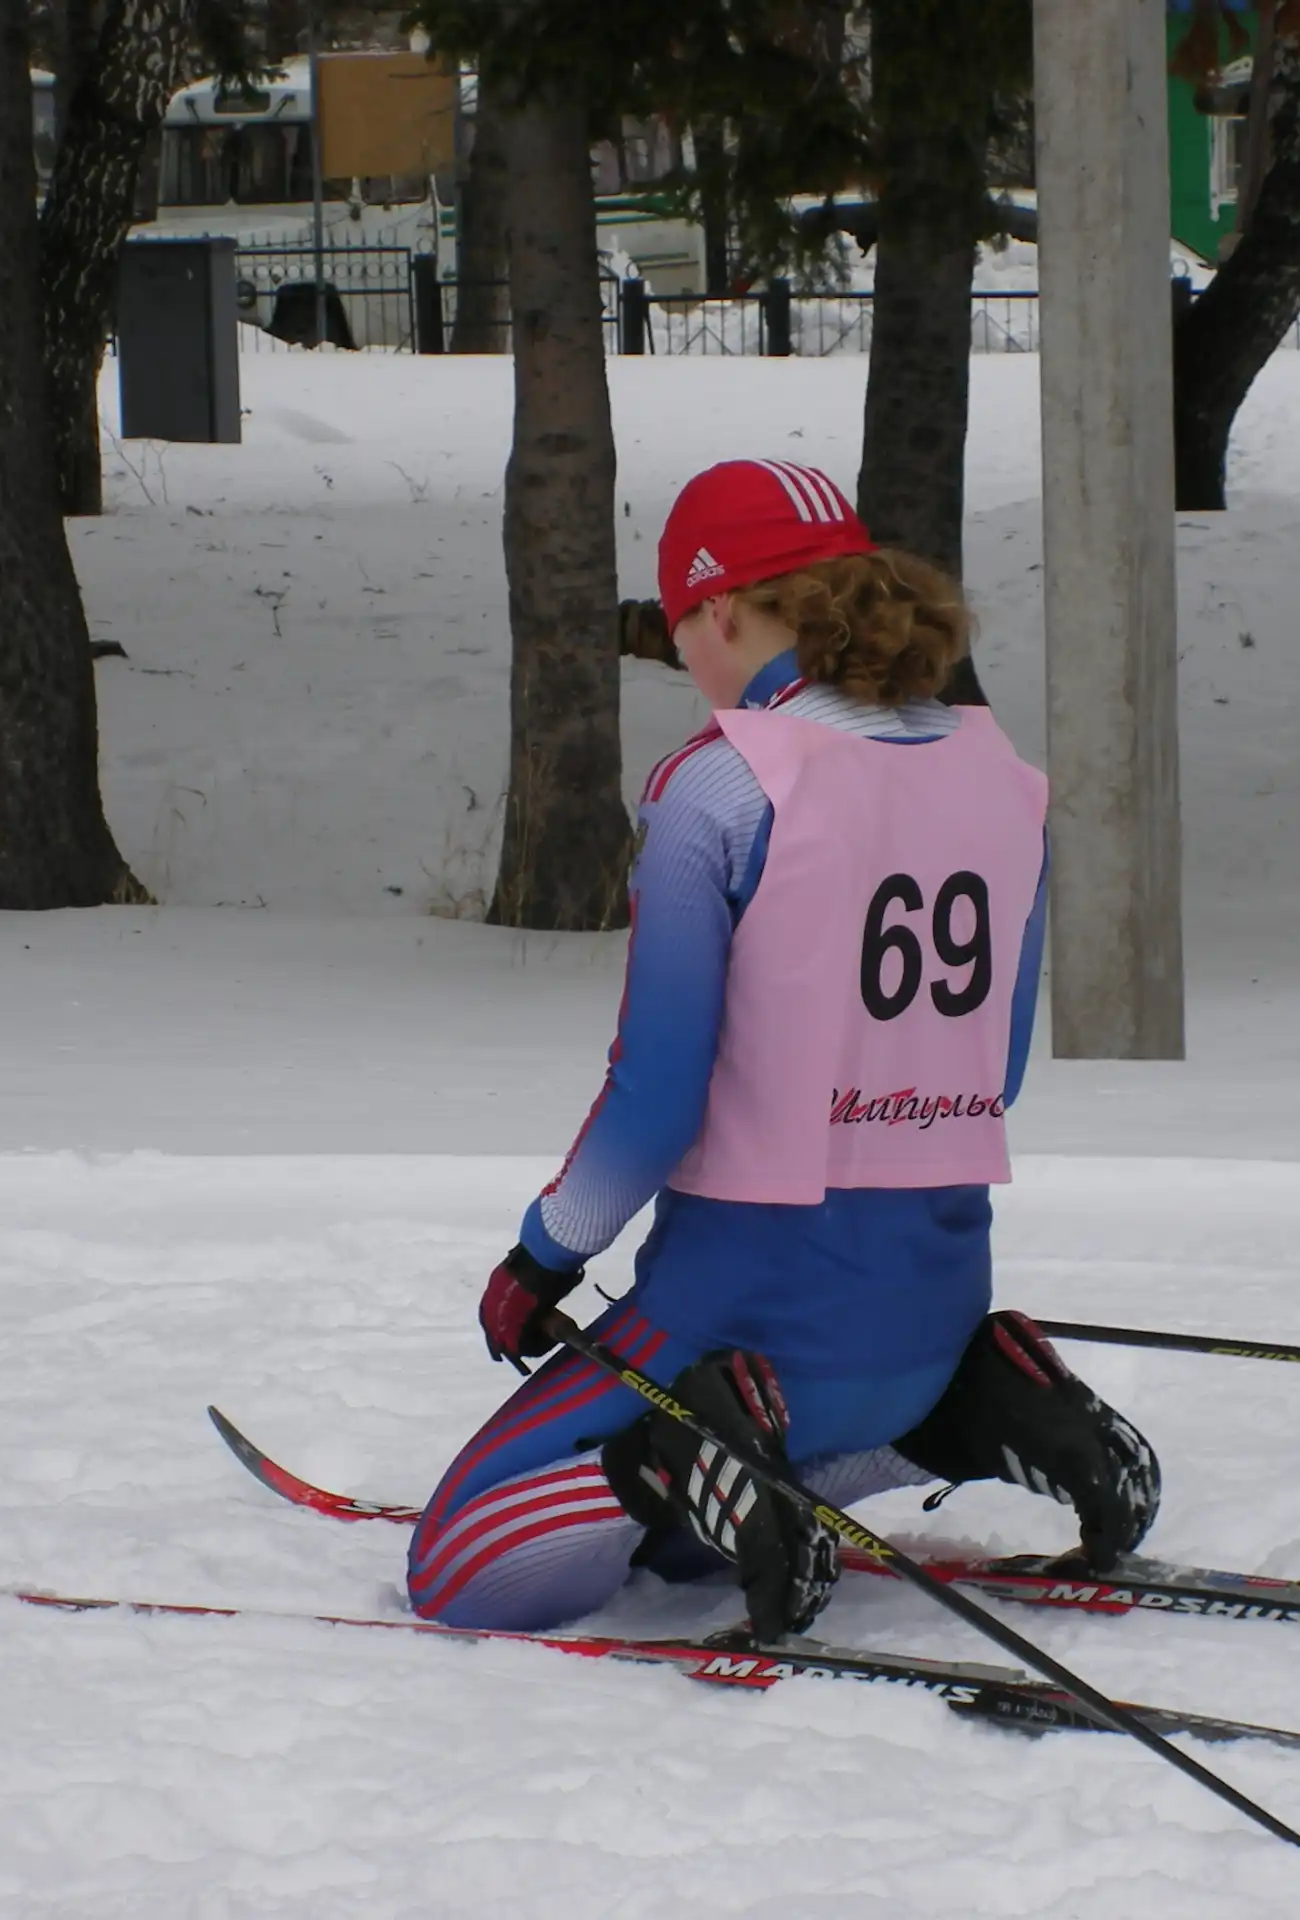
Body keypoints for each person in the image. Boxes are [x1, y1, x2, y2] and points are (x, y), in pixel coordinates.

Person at [404, 460, 1161, 1639]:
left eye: (679, 633)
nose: (688, 666)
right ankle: (968, 1413)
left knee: (460, 1565)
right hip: (932, 1312)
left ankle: (671, 1456)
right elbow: (993, 1074)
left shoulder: (720, 789)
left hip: (746, 1311)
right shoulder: (1002, 779)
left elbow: (654, 1097)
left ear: (717, 612)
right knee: (721, 1517)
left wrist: (544, 1257)